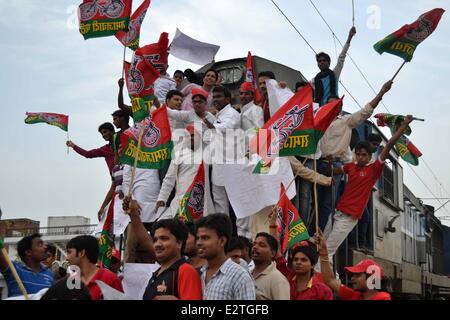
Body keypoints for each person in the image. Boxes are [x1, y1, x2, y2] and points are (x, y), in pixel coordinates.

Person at [317, 116, 415, 267]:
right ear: (355, 154)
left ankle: (321, 284)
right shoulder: (350, 167)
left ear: (370, 156)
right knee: (323, 249)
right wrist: (330, 163)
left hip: (348, 218)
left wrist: (403, 125)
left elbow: (389, 145)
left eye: (364, 155)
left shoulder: (374, 170)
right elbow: (333, 171)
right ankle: (333, 281)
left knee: (327, 252)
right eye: (358, 154)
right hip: (336, 213)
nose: (361, 157)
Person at [316, 80, 394, 235]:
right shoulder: (318, 120)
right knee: (310, 199)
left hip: (335, 165)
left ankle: (319, 235)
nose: (331, 107)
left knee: (327, 203)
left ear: (339, 107)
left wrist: (381, 93)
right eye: (328, 104)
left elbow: (366, 111)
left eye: (335, 104)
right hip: (316, 163)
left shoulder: (346, 121)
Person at [124, 199, 202, 300]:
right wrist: (133, 213)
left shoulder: (185, 271)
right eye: (155, 240)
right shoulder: (157, 273)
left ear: (179, 243)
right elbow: (144, 239)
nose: (157, 244)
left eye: (164, 239)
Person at [267, 210, 333, 300]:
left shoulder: (322, 289)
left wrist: (324, 251)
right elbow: (276, 253)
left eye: (303, 260)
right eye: (296, 259)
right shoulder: (287, 278)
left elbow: (331, 281)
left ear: (313, 264)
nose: (298, 262)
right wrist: (273, 225)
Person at [155, 124, 214, 218]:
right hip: (181, 202)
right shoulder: (179, 152)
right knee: (162, 225)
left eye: (193, 136)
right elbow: (169, 179)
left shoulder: (206, 152)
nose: (190, 138)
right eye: (187, 136)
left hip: (202, 205)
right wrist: (162, 198)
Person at [203, 86, 240, 225]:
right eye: (214, 97)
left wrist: (212, 125)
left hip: (230, 165)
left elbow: (227, 127)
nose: (215, 100)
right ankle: (223, 234)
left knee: (237, 203)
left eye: (219, 96)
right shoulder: (218, 115)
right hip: (218, 165)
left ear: (228, 99)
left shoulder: (231, 113)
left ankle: (244, 238)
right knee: (220, 203)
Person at [195, 214, 256, 300]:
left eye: (205, 238)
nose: (199, 243)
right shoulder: (201, 273)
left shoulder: (239, 276)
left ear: (222, 241)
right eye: (198, 238)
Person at [316, 231, 391, 300]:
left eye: (358, 275)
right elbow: (330, 280)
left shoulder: (383, 298)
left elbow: (330, 280)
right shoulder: (355, 296)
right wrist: (324, 253)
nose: (352, 278)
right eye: (353, 275)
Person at [66, 235, 123, 300]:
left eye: (69, 252)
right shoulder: (70, 280)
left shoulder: (111, 280)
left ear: (82, 253)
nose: (66, 258)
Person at [312, 27, 356, 106]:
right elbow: (303, 92)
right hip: (320, 111)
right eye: (319, 61)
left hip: (333, 108)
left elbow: (341, 58)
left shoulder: (334, 74)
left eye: (324, 60)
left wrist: (349, 38)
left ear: (329, 63)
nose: (322, 62)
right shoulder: (314, 81)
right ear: (317, 64)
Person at [251, 232, 290, 300]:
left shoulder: (277, 279)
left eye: (261, 245)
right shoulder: (248, 273)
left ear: (272, 253)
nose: (255, 247)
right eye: (254, 244)